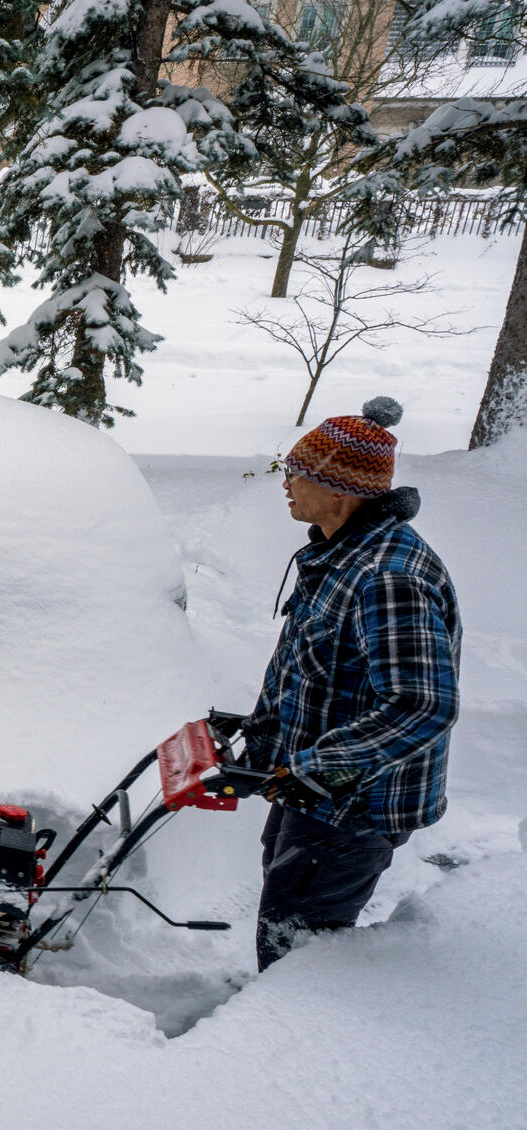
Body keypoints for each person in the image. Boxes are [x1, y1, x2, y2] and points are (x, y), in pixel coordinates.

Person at [241, 397, 461, 971]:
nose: (285, 482)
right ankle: (271, 1015)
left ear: (339, 490)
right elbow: (309, 670)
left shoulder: (387, 577)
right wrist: (261, 744)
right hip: (312, 789)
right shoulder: (340, 555)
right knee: (283, 923)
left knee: (299, 949)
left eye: (298, 473)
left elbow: (422, 705)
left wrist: (318, 765)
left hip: (353, 806)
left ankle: (288, 1040)